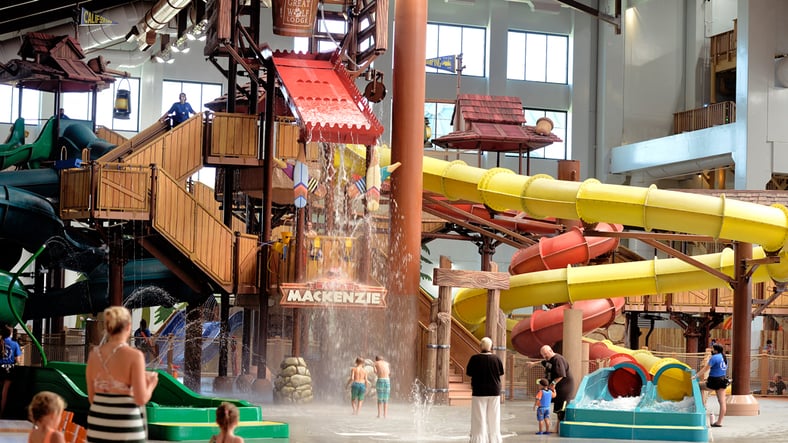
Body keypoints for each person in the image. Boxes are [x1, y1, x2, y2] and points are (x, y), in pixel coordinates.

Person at [85, 306, 158, 442]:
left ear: (107, 327)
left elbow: (92, 398)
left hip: (98, 425)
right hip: (126, 426)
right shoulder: (135, 356)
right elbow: (141, 399)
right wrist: (151, 384)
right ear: (128, 326)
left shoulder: (93, 356)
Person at [528, 344, 575, 433]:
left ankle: (557, 427)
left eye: (546, 354)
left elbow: (561, 375)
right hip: (556, 388)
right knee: (553, 405)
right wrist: (534, 363)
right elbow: (543, 362)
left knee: (561, 407)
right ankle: (554, 426)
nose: (545, 356)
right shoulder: (549, 359)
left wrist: (553, 383)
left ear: (551, 351)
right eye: (543, 355)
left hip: (563, 388)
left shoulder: (558, 359)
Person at [466, 336, 504, 443]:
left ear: (480, 346)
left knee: (479, 417)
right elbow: (501, 373)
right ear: (491, 346)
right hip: (495, 391)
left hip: (479, 391)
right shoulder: (496, 359)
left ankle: (478, 439)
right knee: (494, 416)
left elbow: (469, 373)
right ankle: (495, 439)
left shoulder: (474, 358)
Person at [692, 342, 728, 427]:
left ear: (715, 350)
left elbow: (705, 369)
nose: (712, 350)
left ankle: (702, 406)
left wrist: (695, 376)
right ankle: (719, 422)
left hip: (714, 381)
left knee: (699, 386)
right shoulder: (724, 357)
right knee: (722, 402)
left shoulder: (714, 357)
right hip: (722, 380)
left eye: (712, 348)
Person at [0, 323, 22, 418]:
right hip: (9, 369)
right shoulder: (14, 344)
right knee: (4, 392)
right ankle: (1, 414)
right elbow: (17, 360)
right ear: (11, 333)